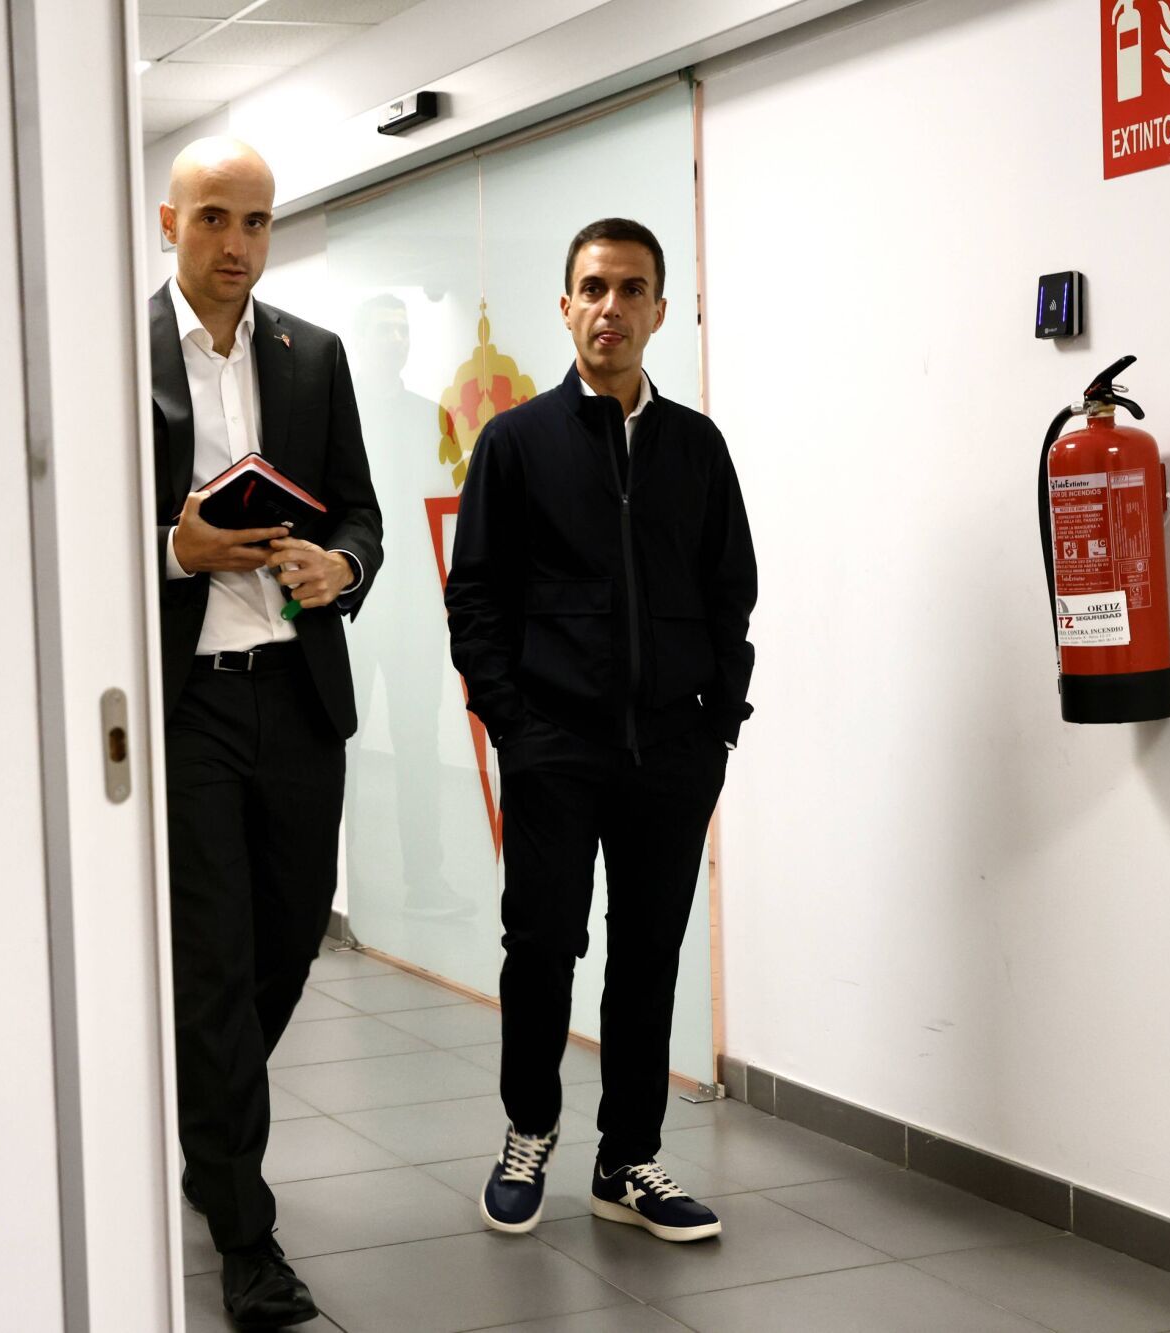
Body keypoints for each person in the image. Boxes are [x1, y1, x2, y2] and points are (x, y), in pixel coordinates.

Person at [445, 217, 756, 1242]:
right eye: (592, 287)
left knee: (647, 956)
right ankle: (527, 1130)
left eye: (630, 290)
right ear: (565, 304)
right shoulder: (516, 443)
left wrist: (718, 720)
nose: (610, 307)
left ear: (658, 311)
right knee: (540, 946)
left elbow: (728, 592)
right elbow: (475, 600)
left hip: (671, 748)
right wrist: (514, 724)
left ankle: (627, 1159)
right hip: (554, 745)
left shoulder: (694, 447)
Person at [150, 137, 382, 1326]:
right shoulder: (118, 356)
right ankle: (247, 1236)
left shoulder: (312, 354)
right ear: (167, 221)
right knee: (216, 962)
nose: (236, 245)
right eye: (213, 220)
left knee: (287, 942)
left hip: (295, 694)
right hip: (187, 701)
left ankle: (208, 1127)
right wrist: (170, 551)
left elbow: (361, 512)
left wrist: (336, 562)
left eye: (255, 223)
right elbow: (79, 537)